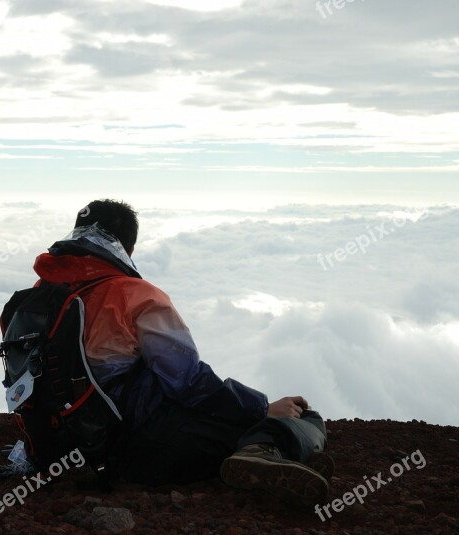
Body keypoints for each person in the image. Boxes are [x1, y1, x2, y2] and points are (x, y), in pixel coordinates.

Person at [32, 198, 333, 506]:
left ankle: (276, 454)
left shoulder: (38, 297)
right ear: (130, 249)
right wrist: (261, 408)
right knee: (304, 417)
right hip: (143, 449)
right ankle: (263, 450)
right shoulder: (136, 296)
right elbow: (187, 381)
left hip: (59, 449)